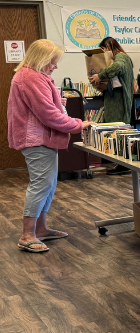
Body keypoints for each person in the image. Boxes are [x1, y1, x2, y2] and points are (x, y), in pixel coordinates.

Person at [7, 39, 92, 252]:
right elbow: (48, 115)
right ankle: (27, 235)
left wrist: (56, 100)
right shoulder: (30, 77)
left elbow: (42, 106)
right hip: (37, 139)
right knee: (41, 184)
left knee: (48, 184)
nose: (55, 66)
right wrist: (79, 124)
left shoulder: (35, 76)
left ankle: (41, 229)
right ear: (42, 59)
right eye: (52, 62)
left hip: (42, 138)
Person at [89, 36, 134, 124]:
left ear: (108, 47)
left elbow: (118, 66)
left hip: (118, 97)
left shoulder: (121, 56)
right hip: (116, 95)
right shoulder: (123, 57)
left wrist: (100, 76)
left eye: (103, 49)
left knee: (115, 123)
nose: (104, 52)